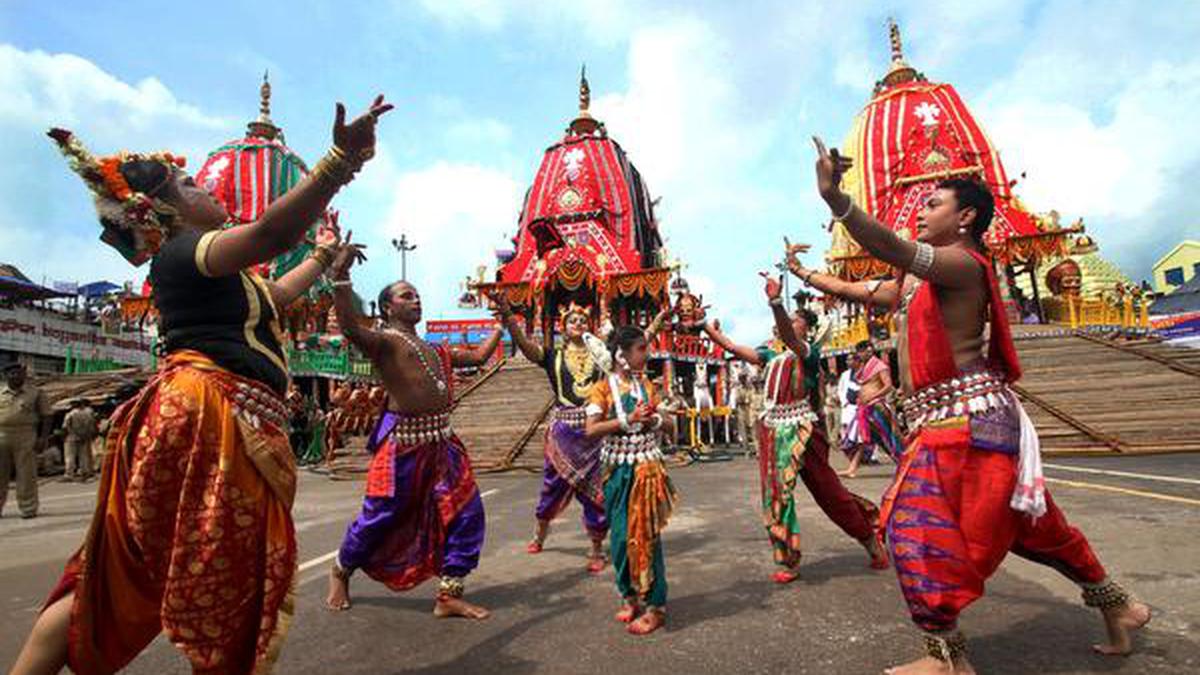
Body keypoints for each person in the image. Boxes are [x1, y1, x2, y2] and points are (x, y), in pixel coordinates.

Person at [12, 95, 390, 675]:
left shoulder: (215, 269)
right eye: (189, 184)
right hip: (205, 421)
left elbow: (278, 294)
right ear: (163, 212)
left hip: (206, 418)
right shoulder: (187, 253)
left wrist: (321, 258)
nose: (208, 190)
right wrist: (340, 159)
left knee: (127, 565)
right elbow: (266, 233)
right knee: (219, 573)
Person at [789, 136, 1150, 673]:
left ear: (967, 218)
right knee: (1035, 529)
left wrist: (835, 200)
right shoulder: (915, 280)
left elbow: (893, 247)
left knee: (912, 528)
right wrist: (797, 281)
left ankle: (946, 658)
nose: (921, 211)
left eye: (934, 203)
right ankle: (1118, 605)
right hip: (958, 423)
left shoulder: (963, 263)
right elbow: (862, 289)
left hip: (967, 424)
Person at [323, 254, 504, 620]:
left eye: (417, 295)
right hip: (403, 446)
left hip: (443, 445)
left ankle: (449, 594)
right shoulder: (384, 342)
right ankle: (341, 570)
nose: (416, 299)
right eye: (406, 295)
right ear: (387, 307)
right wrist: (340, 277)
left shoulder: (435, 349)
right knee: (380, 516)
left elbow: (480, 356)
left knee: (467, 512)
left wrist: (503, 322)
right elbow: (350, 329)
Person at [703, 275, 888, 584]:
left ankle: (870, 539)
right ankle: (788, 559)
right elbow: (733, 347)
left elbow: (790, 338)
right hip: (774, 432)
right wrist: (704, 326)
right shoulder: (770, 357)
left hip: (804, 432)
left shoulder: (808, 353)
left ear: (808, 330)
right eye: (784, 319)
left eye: (793, 320)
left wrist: (775, 303)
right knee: (775, 497)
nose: (785, 324)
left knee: (830, 494)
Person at [498, 300, 660, 572]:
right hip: (563, 432)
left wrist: (656, 323)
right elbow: (526, 348)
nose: (578, 324)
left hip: (594, 432)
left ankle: (596, 549)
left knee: (596, 494)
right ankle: (539, 533)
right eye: (572, 321)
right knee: (552, 488)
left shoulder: (602, 357)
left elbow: (634, 345)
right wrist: (510, 322)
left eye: (583, 321)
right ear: (563, 327)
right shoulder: (552, 356)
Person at [585, 325, 679, 636]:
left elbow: (670, 425)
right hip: (616, 472)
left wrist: (653, 418)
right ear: (621, 354)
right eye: (641, 348)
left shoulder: (647, 387)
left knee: (647, 537)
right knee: (621, 538)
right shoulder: (601, 389)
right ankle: (629, 596)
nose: (646, 353)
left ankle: (656, 606)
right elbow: (590, 430)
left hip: (646, 471)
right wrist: (627, 420)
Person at [839, 340, 901, 477]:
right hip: (865, 408)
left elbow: (888, 386)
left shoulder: (880, 366)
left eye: (863, 351)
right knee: (860, 438)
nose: (861, 355)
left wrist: (872, 396)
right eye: (860, 352)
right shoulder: (864, 367)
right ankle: (852, 468)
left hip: (877, 407)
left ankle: (903, 464)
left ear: (869, 351)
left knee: (888, 438)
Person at [0, 362, 51, 519]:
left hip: (26, 435)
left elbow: (47, 416)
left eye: (19, 373)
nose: (16, 376)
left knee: (26, 474)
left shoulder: (36, 393)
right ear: (5, 376)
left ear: (24, 375)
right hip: (1, 435)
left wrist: (43, 437)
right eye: (12, 373)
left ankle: (28, 508)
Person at [61, 398, 99, 482]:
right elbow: (92, 425)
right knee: (83, 456)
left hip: (71, 437)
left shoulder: (70, 414)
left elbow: (65, 427)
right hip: (84, 437)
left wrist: (63, 436)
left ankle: (69, 474)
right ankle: (85, 473)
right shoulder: (88, 414)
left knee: (70, 456)